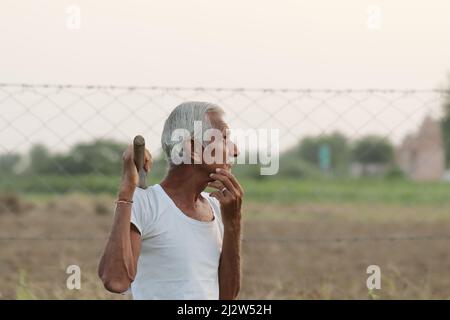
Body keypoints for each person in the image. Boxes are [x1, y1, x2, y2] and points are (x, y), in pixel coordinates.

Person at [98, 101, 243, 299]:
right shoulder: (144, 203)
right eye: (224, 138)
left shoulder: (218, 207)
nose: (235, 151)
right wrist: (126, 192)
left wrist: (233, 223)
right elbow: (116, 280)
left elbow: (227, 296)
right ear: (193, 147)